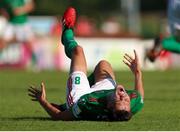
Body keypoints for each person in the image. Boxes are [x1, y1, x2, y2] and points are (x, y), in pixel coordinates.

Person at [28, 7, 144, 121]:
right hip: (106, 92)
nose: (123, 96)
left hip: (80, 95)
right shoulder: (134, 101)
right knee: (104, 65)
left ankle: (67, 32)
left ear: (109, 106)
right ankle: (81, 89)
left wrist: (43, 102)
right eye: (126, 100)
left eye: (119, 100)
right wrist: (138, 73)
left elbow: (59, 116)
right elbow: (140, 97)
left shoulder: (85, 104)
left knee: (78, 51)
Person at [0, 0, 36, 65]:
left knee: (29, 44)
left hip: (23, 23)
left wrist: (20, 10)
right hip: (11, 23)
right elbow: (2, 8)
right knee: (2, 42)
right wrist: (6, 13)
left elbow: (31, 6)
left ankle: (35, 63)